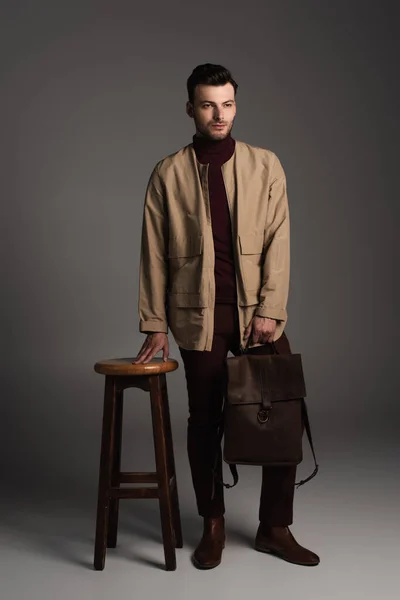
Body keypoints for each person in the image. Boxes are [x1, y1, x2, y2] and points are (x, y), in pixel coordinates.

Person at [134, 63, 319, 569]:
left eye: (228, 104)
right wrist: (154, 321)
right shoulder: (168, 173)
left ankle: (274, 528)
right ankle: (212, 524)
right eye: (209, 104)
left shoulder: (266, 166)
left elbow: (280, 241)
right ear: (191, 108)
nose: (220, 114)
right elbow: (152, 252)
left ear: (236, 105)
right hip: (198, 317)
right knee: (204, 420)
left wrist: (270, 310)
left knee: (284, 413)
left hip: (258, 314)